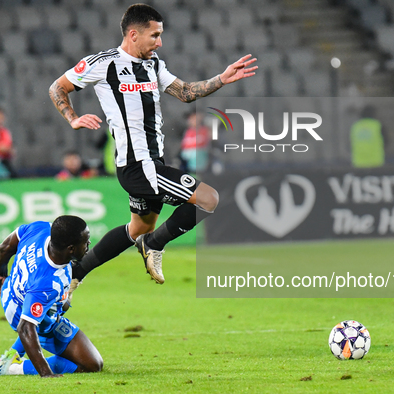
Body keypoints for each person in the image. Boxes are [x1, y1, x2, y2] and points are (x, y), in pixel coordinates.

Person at [48, 3, 257, 285]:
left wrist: (221, 79)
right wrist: (72, 117)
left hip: (152, 163)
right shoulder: (104, 63)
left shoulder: (154, 64)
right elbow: (57, 87)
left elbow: (185, 92)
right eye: (155, 35)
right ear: (133, 35)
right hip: (136, 165)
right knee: (209, 199)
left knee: (137, 228)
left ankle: (75, 273)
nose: (159, 42)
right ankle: (154, 244)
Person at [0, 215, 103, 377]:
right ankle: (10, 368)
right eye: (85, 241)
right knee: (91, 365)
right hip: (21, 313)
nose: (89, 244)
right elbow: (25, 328)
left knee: (63, 303)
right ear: (71, 248)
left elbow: (3, 248)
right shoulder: (47, 284)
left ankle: (13, 354)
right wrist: (46, 373)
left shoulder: (41, 229)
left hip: (11, 291)